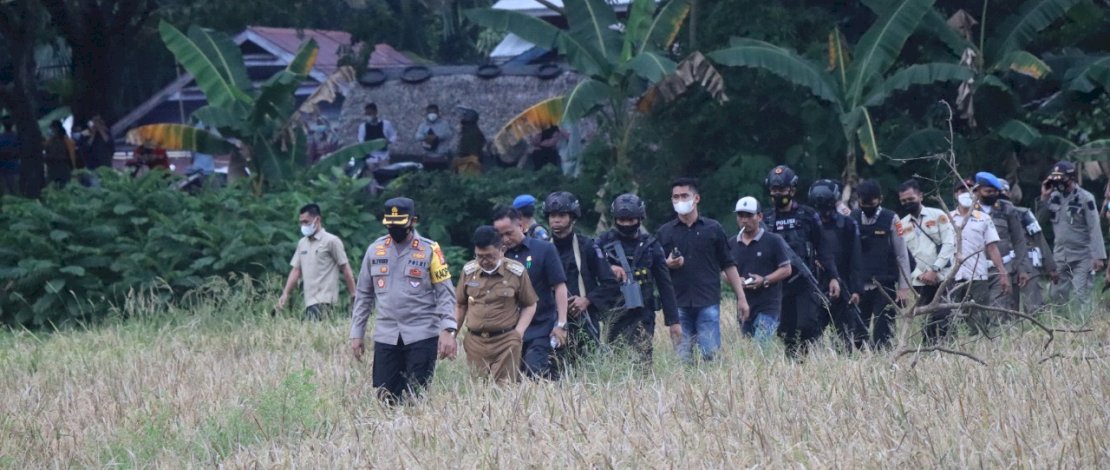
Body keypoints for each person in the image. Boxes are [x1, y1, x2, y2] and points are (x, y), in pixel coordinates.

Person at [349, 197, 457, 403]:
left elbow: (445, 293)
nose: (394, 228)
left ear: (412, 221)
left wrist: (448, 329)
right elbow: (364, 294)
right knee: (385, 396)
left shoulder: (429, 250)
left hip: (421, 333)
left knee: (415, 396)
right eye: (390, 224)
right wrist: (357, 332)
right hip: (386, 334)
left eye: (399, 224)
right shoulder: (375, 250)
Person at [655, 177, 751, 362]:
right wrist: (667, 264)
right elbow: (654, 268)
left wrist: (741, 298)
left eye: (685, 196)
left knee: (711, 355)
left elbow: (728, 265)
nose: (680, 201)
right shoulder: (664, 232)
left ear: (696, 198)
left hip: (707, 301)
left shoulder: (713, 229)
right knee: (682, 360)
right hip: (678, 304)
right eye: (676, 197)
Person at [762, 165, 840, 356]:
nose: (777, 194)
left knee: (807, 324)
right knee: (785, 329)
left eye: (781, 190)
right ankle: (793, 364)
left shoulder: (808, 215)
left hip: (805, 281)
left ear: (792, 190)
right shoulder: (765, 218)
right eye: (774, 190)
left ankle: (809, 357)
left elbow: (823, 248)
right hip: (778, 283)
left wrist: (833, 277)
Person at [598, 194, 681, 364]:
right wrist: (608, 268)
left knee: (642, 362)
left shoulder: (650, 245)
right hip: (613, 313)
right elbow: (588, 271)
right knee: (614, 362)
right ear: (615, 219)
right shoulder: (601, 243)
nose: (626, 224)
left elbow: (665, 284)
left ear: (640, 218)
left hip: (643, 313)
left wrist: (673, 321)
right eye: (622, 220)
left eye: (631, 220)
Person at [452, 226, 538, 382]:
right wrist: (453, 335)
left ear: (502, 250)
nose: (484, 261)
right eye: (479, 256)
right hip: (475, 343)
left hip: (506, 342)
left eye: (490, 256)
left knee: (503, 391)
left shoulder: (516, 272)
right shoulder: (468, 271)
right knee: (477, 391)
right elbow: (460, 305)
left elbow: (530, 304)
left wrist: (518, 333)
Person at [543, 191, 620, 368]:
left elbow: (611, 284)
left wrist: (587, 300)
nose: (556, 220)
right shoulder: (543, 249)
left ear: (573, 218)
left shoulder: (588, 246)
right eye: (552, 215)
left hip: (584, 320)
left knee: (587, 369)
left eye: (562, 215)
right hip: (550, 320)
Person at [492, 207, 568, 379]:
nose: (505, 239)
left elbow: (559, 286)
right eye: (500, 235)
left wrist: (561, 324)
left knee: (535, 373)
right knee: (508, 380)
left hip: (540, 327)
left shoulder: (544, 249)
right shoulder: (496, 257)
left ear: (521, 225)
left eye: (509, 233)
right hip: (507, 330)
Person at [851, 180, 912, 349]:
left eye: (872, 202)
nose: (867, 206)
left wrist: (904, 288)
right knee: (856, 335)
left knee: (883, 335)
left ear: (880, 199)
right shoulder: (853, 217)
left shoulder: (892, 218)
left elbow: (901, 254)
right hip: (859, 286)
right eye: (864, 202)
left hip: (884, 285)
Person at [1038, 161, 1106, 309]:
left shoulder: (1085, 198)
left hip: (1083, 255)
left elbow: (1094, 227)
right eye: (1055, 178)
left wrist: (1098, 256)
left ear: (1072, 178)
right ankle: (1062, 325)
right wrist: (1043, 197)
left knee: (1082, 294)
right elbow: (1040, 221)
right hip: (1060, 255)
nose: (1058, 182)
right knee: (1057, 294)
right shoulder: (1053, 196)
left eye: (1061, 178)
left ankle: (1086, 325)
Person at [897, 178, 958, 343]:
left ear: (920, 196)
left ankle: (947, 347)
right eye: (903, 201)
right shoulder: (901, 225)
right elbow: (903, 256)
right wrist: (919, 275)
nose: (907, 203)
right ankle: (928, 350)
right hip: (920, 281)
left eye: (910, 199)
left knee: (943, 315)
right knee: (925, 318)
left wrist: (934, 270)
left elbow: (949, 244)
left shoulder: (938, 215)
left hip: (942, 276)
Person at [808, 179, 866, 350]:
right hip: (814, 285)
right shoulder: (807, 222)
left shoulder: (847, 224)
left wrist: (856, 289)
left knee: (844, 335)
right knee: (810, 335)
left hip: (844, 285)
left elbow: (856, 258)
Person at [948, 181, 1010, 337]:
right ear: (955, 194)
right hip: (952, 275)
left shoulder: (983, 218)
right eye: (962, 190)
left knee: (980, 315)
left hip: (978, 275)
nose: (966, 193)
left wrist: (1002, 273)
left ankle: (980, 343)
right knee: (952, 315)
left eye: (970, 190)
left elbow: (992, 248)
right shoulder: (947, 218)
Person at [730, 197, 793, 346]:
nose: (744, 220)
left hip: (768, 305)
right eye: (740, 216)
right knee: (748, 349)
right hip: (744, 304)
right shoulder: (732, 243)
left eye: (749, 216)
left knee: (761, 346)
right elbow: (724, 271)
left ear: (759, 216)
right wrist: (736, 280)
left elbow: (786, 269)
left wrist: (765, 279)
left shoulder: (773, 241)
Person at [277, 204, 358, 320]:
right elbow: (296, 270)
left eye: (306, 222)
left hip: (326, 301)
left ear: (317, 219)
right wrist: (285, 294)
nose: (303, 225)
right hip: (309, 301)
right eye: (301, 222)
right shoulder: (302, 243)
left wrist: (354, 295)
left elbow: (345, 268)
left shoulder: (331, 241)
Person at [974, 172, 1028, 315]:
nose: (993, 195)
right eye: (988, 191)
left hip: (1003, 267)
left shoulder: (1007, 208)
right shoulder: (969, 209)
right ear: (978, 190)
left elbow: (1019, 240)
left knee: (999, 310)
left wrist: (1022, 268)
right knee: (977, 312)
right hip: (976, 269)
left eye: (995, 192)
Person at [1001, 178, 1056, 314]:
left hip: (1028, 264)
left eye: (1004, 192)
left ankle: (1038, 333)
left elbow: (1039, 239)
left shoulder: (1023, 213)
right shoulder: (985, 216)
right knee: (1007, 309)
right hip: (1004, 267)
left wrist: (1050, 267)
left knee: (1034, 306)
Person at [414, 104, 453, 171]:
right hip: (428, 156)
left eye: (434, 112)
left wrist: (437, 137)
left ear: (437, 113)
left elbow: (448, 134)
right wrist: (426, 137)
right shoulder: (424, 125)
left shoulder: (444, 124)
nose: (432, 115)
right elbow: (417, 136)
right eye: (430, 113)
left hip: (441, 156)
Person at [43, 120, 77, 186]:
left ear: (55, 129)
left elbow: (70, 155)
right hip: (59, 168)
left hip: (58, 168)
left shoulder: (63, 141)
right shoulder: (51, 140)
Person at [454, 107, 485, 175]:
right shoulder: (469, 131)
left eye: (464, 115)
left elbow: (474, 158)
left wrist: (457, 161)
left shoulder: (471, 133)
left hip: (469, 168)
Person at [0, 117, 19, 196]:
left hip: (12, 168)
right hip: (4, 168)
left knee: (13, 191)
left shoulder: (17, 137)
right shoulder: (16, 137)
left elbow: (18, 152)